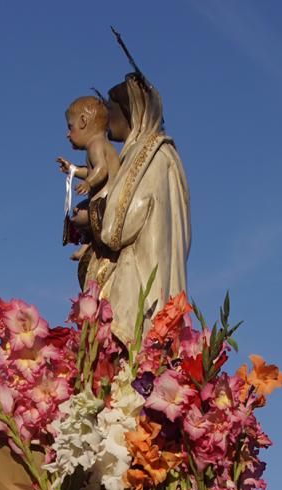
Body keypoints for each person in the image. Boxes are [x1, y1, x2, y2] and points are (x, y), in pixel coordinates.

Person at [80, 72, 190, 347]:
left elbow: (118, 229)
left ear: (132, 112)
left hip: (141, 286)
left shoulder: (151, 157)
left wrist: (92, 214)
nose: (105, 117)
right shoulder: (153, 156)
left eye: (111, 108)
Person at [57, 95, 121, 260]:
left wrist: (89, 183)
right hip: (104, 201)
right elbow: (92, 170)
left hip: (107, 203)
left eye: (71, 127)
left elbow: (102, 169)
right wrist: (72, 169)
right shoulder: (98, 144)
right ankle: (86, 245)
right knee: (79, 212)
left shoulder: (96, 145)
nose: (67, 134)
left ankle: (87, 244)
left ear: (83, 122)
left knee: (78, 215)